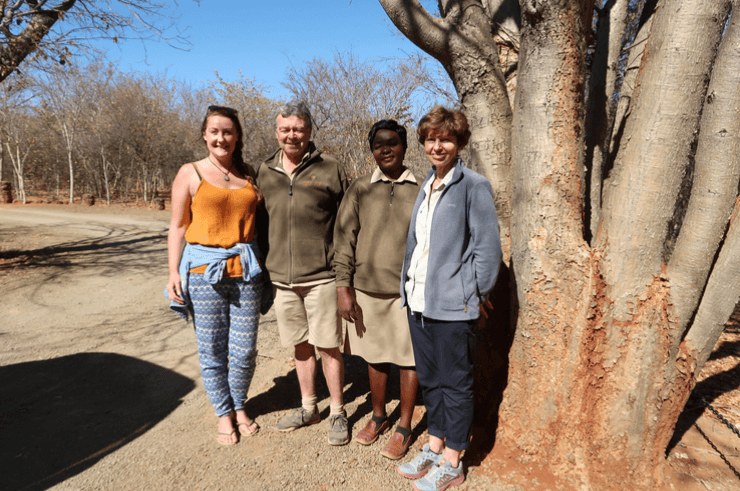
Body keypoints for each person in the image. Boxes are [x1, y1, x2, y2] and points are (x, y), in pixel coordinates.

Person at [396, 106, 502, 491]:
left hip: (452, 308)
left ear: (459, 143)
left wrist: (473, 293)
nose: (437, 146)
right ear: (423, 142)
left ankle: (454, 458)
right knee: (432, 379)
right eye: (431, 139)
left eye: (446, 139)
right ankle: (434, 444)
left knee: (456, 383)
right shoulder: (427, 183)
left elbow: (488, 251)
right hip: (419, 301)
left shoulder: (473, 185)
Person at [166, 105, 265, 446]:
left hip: (246, 271)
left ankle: (239, 405)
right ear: (205, 136)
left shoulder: (249, 174)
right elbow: (178, 226)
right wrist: (172, 273)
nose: (221, 138)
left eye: (228, 132)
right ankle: (224, 413)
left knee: (244, 349)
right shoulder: (189, 173)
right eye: (215, 132)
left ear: (237, 137)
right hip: (202, 272)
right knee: (211, 348)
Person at [255, 100, 350, 445]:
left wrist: (344, 277)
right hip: (282, 280)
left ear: (309, 131)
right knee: (300, 346)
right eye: (285, 129)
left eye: (298, 129)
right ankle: (309, 407)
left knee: (329, 346)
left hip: (322, 277)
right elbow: (258, 224)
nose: (291, 135)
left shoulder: (331, 168)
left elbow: (346, 225)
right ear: (276, 131)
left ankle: (338, 411)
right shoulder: (264, 171)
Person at [333, 120, 420, 460]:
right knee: (375, 355)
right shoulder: (359, 189)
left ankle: (405, 426)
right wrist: (344, 288)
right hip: (366, 290)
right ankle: (379, 415)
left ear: (404, 146)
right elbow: (343, 241)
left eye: (393, 142)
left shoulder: (422, 188)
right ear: (371, 150)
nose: (385, 149)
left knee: (409, 359)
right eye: (378, 144)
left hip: (407, 292)